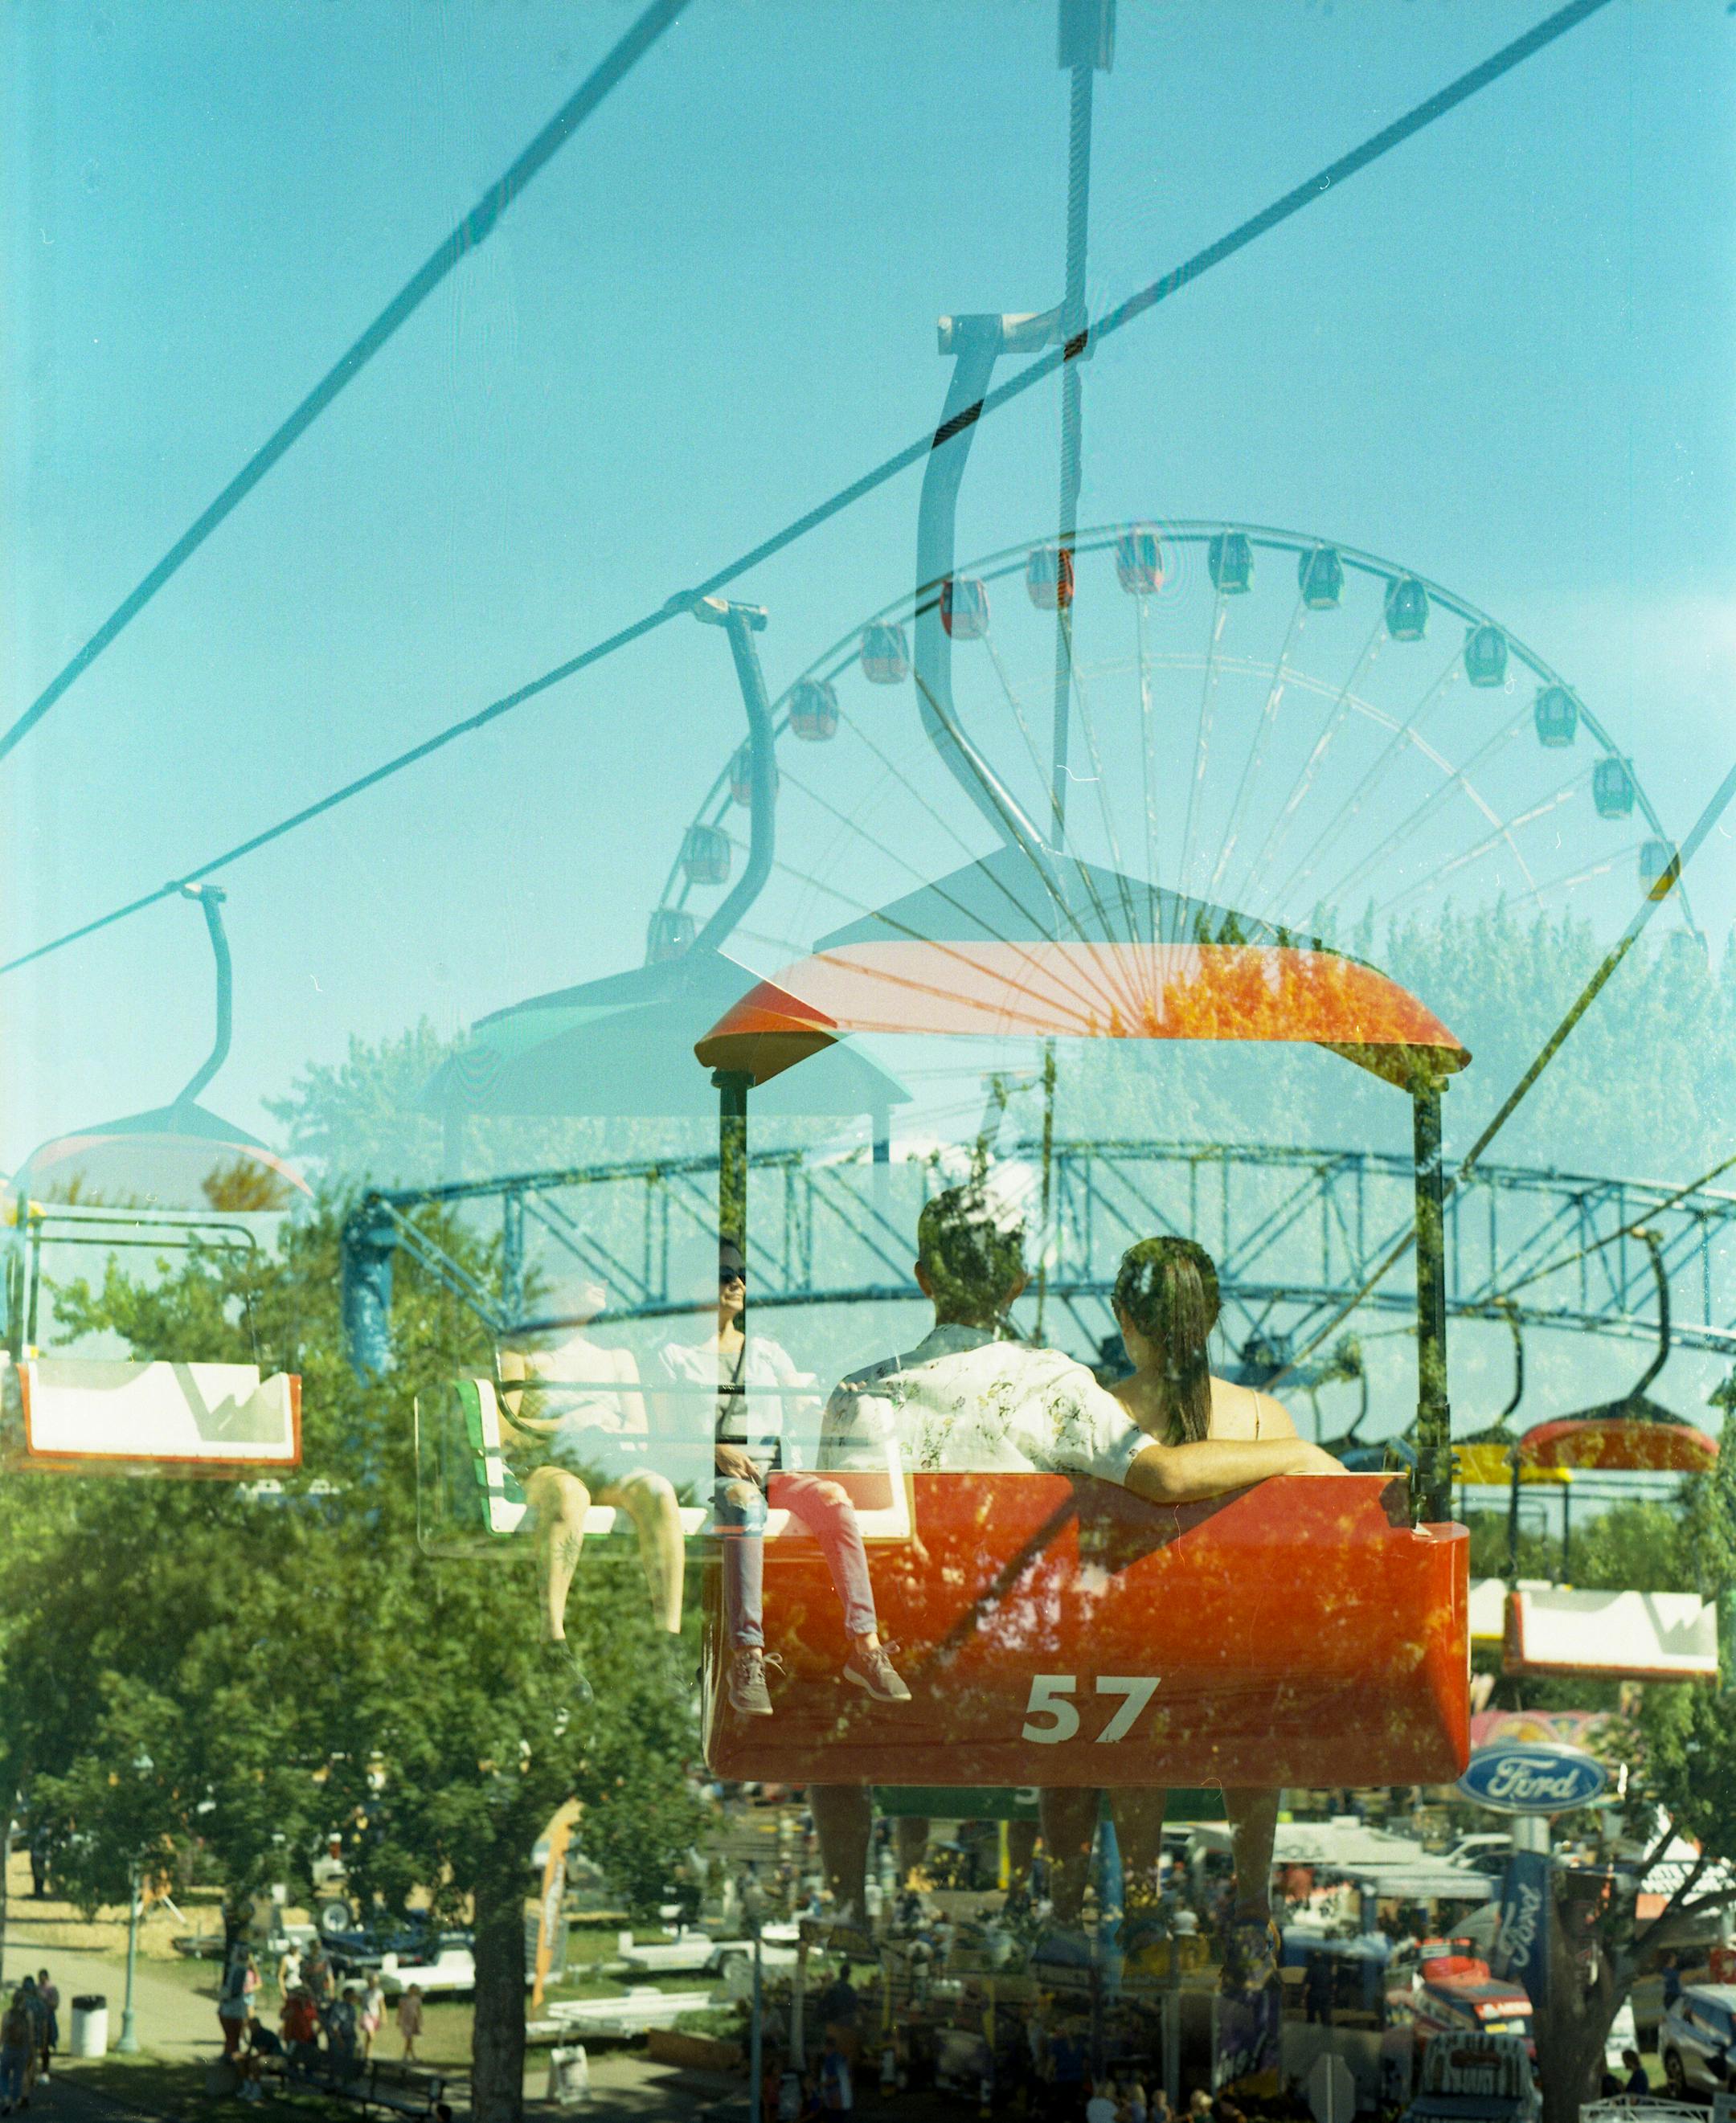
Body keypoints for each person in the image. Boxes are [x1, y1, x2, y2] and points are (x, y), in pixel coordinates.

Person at [809, 1188, 1341, 1943]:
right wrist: (1306, 1455)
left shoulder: (855, 1397)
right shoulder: (1052, 1388)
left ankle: (848, 1906)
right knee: (1123, 1668)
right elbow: (1160, 1476)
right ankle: (1138, 1909)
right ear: (1020, 1282)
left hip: (899, 1688)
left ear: (924, 1278)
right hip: (1027, 1686)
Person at [656, 1241, 908, 1718]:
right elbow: (660, 1439)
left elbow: (804, 1407)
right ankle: (747, 1657)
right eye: (723, 1275)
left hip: (772, 1474)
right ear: (692, 1288)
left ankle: (867, 1645)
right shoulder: (674, 1357)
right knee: (743, 1502)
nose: (737, 1284)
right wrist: (714, 1449)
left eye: (740, 1274)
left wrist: (840, 1400)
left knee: (833, 1499)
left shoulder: (766, 1352)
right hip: (712, 1480)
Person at [497, 1270, 686, 1701]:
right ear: (558, 1286)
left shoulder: (617, 1357)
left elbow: (640, 1430)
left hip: (607, 1460)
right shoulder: (523, 1351)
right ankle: (553, 1637)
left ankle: (665, 1645)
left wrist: (607, 1431)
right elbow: (507, 1430)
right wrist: (565, 1425)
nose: (600, 1281)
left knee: (658, 1492)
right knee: (569, 1495)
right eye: (587, 1272)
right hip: (547, 1462)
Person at [237, 2007, 285, 2103]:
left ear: (257, 2025)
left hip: (275, 2059)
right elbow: (249, 2051)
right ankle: (247, 2088)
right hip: (266, 2058)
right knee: (242, 2062)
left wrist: (247, 2057)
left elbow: (261, 2053)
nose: (250, 2029)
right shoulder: (254, 2035)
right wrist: (241, 2056)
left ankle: (256, 2092)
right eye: (249, 2027)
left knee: (255, 2063)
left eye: (251, 2026)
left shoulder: (264, 2034)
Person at [0, 1992, 31, 2116]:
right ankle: (14, 2101)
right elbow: (30, 2035)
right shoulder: (28, 2015)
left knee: (3, 2076)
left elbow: (2, 2035)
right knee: (18, 2077)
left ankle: (6, 2098)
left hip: (9, 2049)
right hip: (22, 2050)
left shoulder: (7, 2014)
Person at [280, 1987, 321, 2082]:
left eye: (304, 1995)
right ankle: (293, 2079)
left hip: (306, 2036)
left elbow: (315, 2019)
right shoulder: (291, 2003)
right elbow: (282, 2016)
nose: (302, 1997)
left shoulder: (309, 2005)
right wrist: (287, 2014)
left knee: (308, 2058)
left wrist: (316, 2032)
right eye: (300, 1995)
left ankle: (308, 2077)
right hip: (293, 2036)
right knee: (292, 2059)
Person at [31, 1976, 55, 2088]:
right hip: (41, 2033)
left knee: (33, 2056)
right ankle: (43, 2073)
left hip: (33, 2034)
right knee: (42, 2053)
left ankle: (33, 2077)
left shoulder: (29, 2005)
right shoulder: (42, 2007)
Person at [396, 1982, 424, 2062]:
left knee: (410, 2039)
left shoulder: (417, 2000)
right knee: (409, 2039)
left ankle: (408, 2056)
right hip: (406, 2021)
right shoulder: (403, 1999)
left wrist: (420, 2019)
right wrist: (398, 2019)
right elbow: (400, 2010)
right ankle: (410, 2056)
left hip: (413, 2021)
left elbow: (419, 2011)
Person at [359, 1974, 385, 2059]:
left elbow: (381, 2005)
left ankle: (367, 2053)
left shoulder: (379, 1993)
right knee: (371, 2034)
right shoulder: (364, 1992)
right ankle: (365, 2051)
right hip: (366, 2014)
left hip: (375, 2015)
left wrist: (384, 2016)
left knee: (369, 2037)